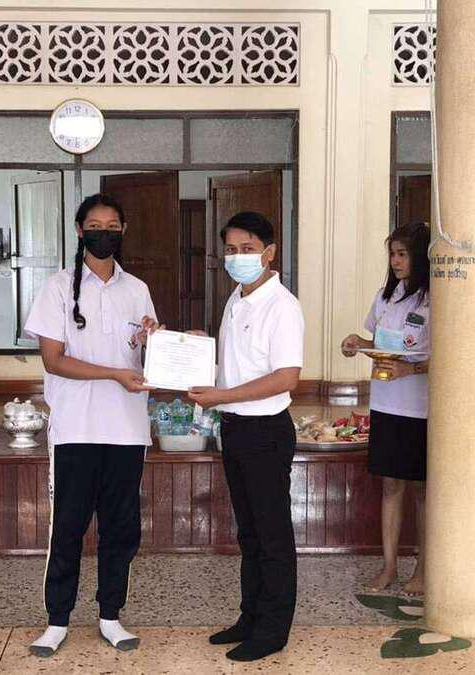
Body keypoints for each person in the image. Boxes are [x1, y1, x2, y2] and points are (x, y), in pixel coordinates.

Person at [24, 194, 159, 657]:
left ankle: (110, 616)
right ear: (80, 231)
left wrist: (157, 342)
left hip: (127, 429)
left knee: (121, 529)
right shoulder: (58, 288)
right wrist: (114, 374)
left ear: (123, 231)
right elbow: (54, 360)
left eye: (113, 225)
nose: (105, 232)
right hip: (76, 428)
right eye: (96, 225)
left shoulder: (137, 289)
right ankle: (57, 620)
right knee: (68, 527)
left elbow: (145, 358)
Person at [188, 211, 304, 663]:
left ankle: (273, 630)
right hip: (234, 427)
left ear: (269, 253)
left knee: (272, 536)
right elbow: (234, 363)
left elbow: (286, 377)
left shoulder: (282, 306)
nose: (238, 257)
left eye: (248, 249)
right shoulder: (236, 298)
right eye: (231, 250)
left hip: (265, 430)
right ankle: (250, 617)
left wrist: (222, 396)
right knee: (249, 533)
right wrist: (192, 346)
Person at [341, 221, 431, 596]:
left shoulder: (433, 299)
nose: (395, 261)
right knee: (391, 486)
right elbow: (380, 344)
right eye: (392, 254)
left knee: (423, 490)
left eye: (403, 254)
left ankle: (424, 569)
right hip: (385, 404)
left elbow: (450, 355)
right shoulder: (385, 296)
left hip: (420, 409)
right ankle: (389, 566)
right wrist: (357, 343)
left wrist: (411, 369)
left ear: (420, 257)